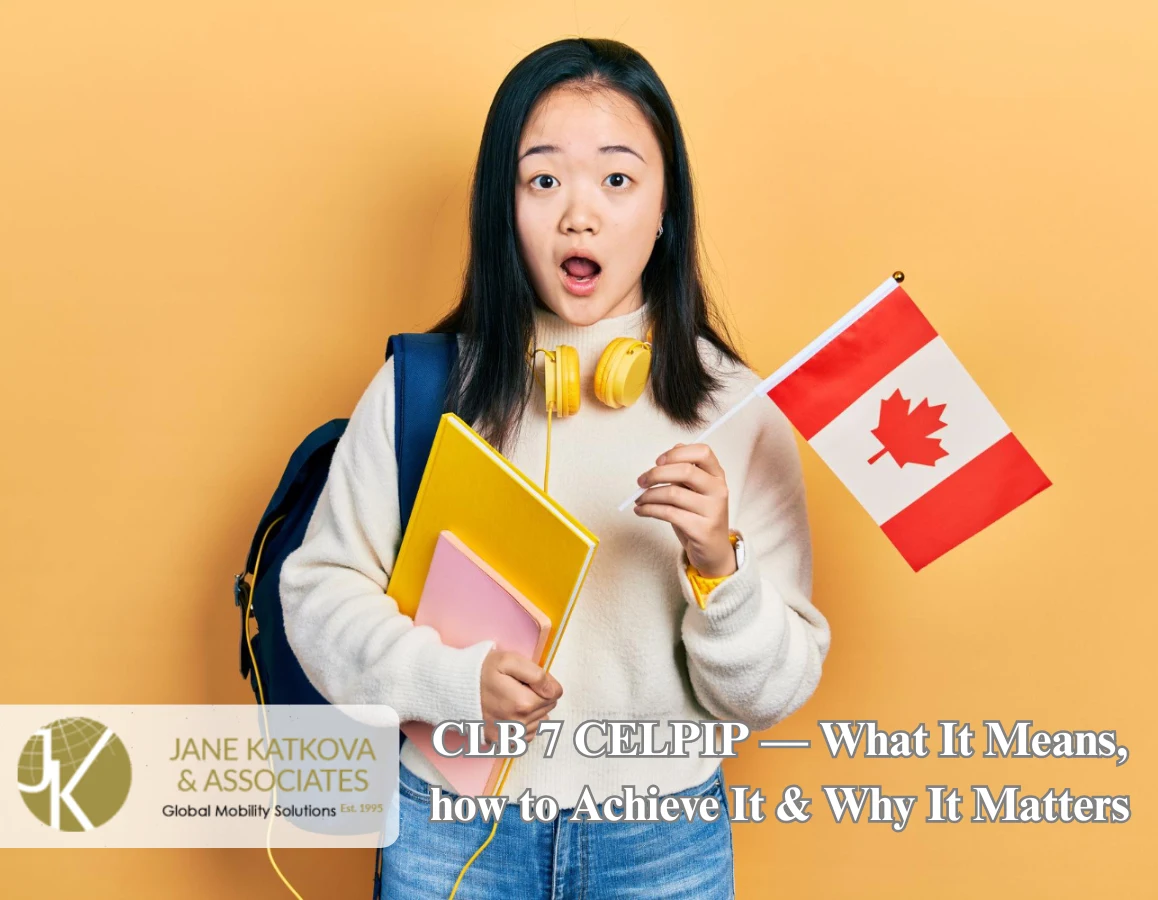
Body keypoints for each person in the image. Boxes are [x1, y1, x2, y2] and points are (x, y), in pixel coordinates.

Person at [280, 36, 831, 899]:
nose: (580, 214)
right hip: (449, 828)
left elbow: (774, 689)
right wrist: (453, 683)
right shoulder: (427, 386)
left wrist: (720, 569)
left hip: (664, 840)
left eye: (617, 180)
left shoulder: (738, 406)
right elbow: (317, 597)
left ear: (665, 212)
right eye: (544, 180)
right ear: (505, 208)